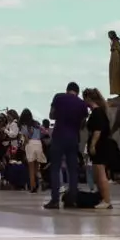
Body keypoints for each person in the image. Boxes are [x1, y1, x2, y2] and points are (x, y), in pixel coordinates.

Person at [43, 79, 89, 209]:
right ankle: (72, 200)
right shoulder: (82, 104)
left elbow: (51, 115)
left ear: (67, 90)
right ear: (78, 92)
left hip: (59, 136)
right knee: (73, 170)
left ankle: (55, 200)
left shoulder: (59, 98)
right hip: (73, 138)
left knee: (55, 168)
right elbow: (83, 123)